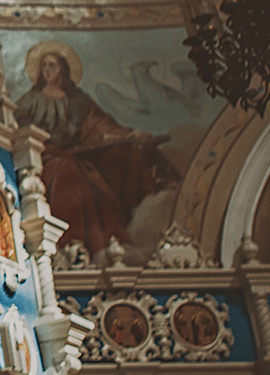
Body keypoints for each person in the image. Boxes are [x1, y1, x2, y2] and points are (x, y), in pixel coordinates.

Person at [13, 41, 178, 257]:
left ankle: (142, 227)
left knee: (127, 156)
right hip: (45, 155)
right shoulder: (29, 101)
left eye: (52, 65)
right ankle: (73, 247)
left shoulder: (78, 100)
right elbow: (19, 132)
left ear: (63, 68)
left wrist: (128, 135)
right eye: (44, 66)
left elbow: (100, 127)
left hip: (80, 152)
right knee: (69, 173)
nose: (47, 70)